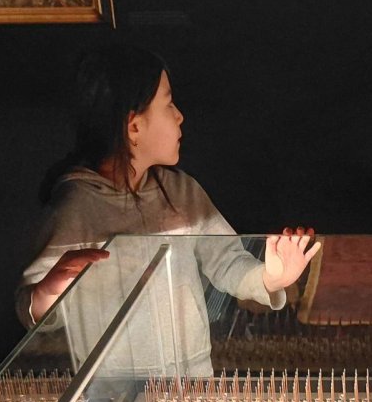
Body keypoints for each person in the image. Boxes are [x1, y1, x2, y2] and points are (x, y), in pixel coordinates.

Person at [17, 42, 318, 375]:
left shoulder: (182, 191)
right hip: (114, 387)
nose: (179, 116)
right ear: (134, 127)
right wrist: (48, 293)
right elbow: (34, 307)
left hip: (192, 378)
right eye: (169, 103)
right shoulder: (76, 207)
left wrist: (271, 278)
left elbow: (226, 260)